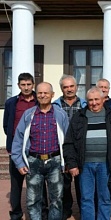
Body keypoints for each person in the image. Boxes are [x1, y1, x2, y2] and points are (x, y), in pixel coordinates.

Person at [11, 82, 69, 220]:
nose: (43, 96)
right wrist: (19, 163)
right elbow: (18, 140)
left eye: (46, 93)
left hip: (55, 162)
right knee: (32, 201)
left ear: (52, 95)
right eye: (40, 93)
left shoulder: (60, 114)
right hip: (34, 162)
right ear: (36, 95)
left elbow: (68, 140)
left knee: (57, 200)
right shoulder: (28, 115)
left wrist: (66, 161)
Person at [63, 87, 111, 220]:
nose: (94, 103)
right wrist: (72, 164)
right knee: (86, 198)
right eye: (90, 100)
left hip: (106, 164)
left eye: (96, 99)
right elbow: (69, 142)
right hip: (85, 165)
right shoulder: (79, 117)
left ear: (103, 99)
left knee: (105, 197)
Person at [3, 73, 49, 220]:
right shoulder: (11, 103)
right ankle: (16, 213)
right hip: (17, 150)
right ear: (18, 86)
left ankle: (42, 212)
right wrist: (15, 143)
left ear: (33, 84)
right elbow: (6, 126)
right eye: (23, 85)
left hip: (36, 149)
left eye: (29, 84)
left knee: (39, 183)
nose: (26, 87)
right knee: (16, 184)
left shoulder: (40, 100)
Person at [53, 74, 87, 220]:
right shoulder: (55, 106)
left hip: (81, 149)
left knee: (82, 183)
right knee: (64, 183)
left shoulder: (85, 104)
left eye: (71, 86)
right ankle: (66, 209)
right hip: (61, 148)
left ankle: (82, 209)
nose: (69, 89)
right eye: (65, 87)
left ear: (76, 87)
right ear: (61, 89)